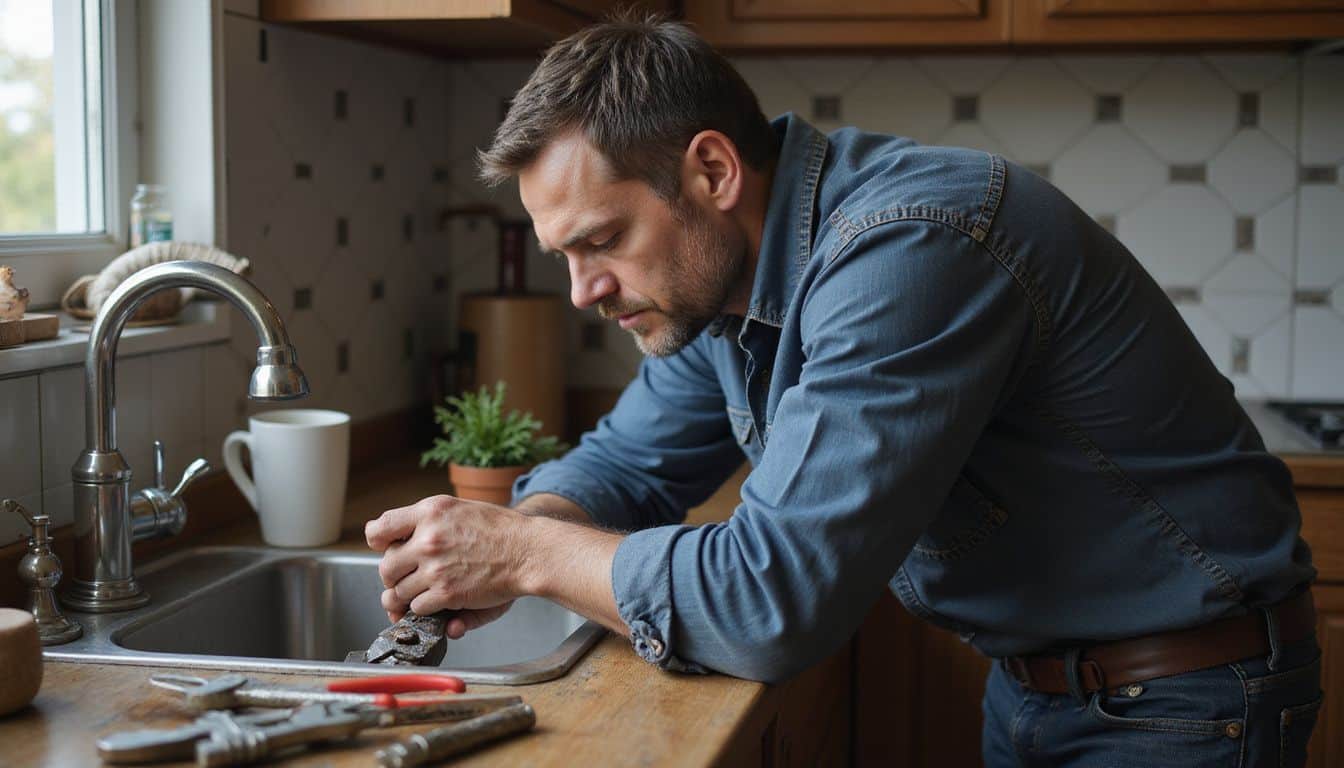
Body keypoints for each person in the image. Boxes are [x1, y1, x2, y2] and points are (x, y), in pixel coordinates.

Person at [363, 15, 1321, 766]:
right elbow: (625, 463)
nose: (582, 292)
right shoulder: (726, 285)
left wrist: (525, 547)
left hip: (1186, 701)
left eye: (602, 241)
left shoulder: (910, 246)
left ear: (711, 170)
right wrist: (488, 558)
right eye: (563, 256)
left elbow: (769, 604)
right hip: (1039, 686)